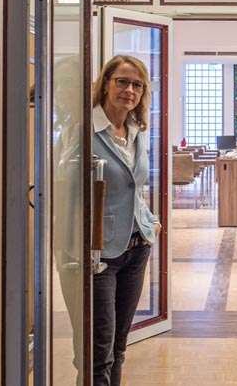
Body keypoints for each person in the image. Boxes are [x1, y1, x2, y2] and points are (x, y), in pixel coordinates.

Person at [91, 55, 162, 386]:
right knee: (99, 352)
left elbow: (135, 187)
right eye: (122, 81)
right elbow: (67, 189)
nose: (129, 90)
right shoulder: (86, 129)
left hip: (136, 249)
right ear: (106, 83)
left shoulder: (135, 131)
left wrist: (150, 221)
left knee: (119, 346)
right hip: (100, 253)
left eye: (137, 85)